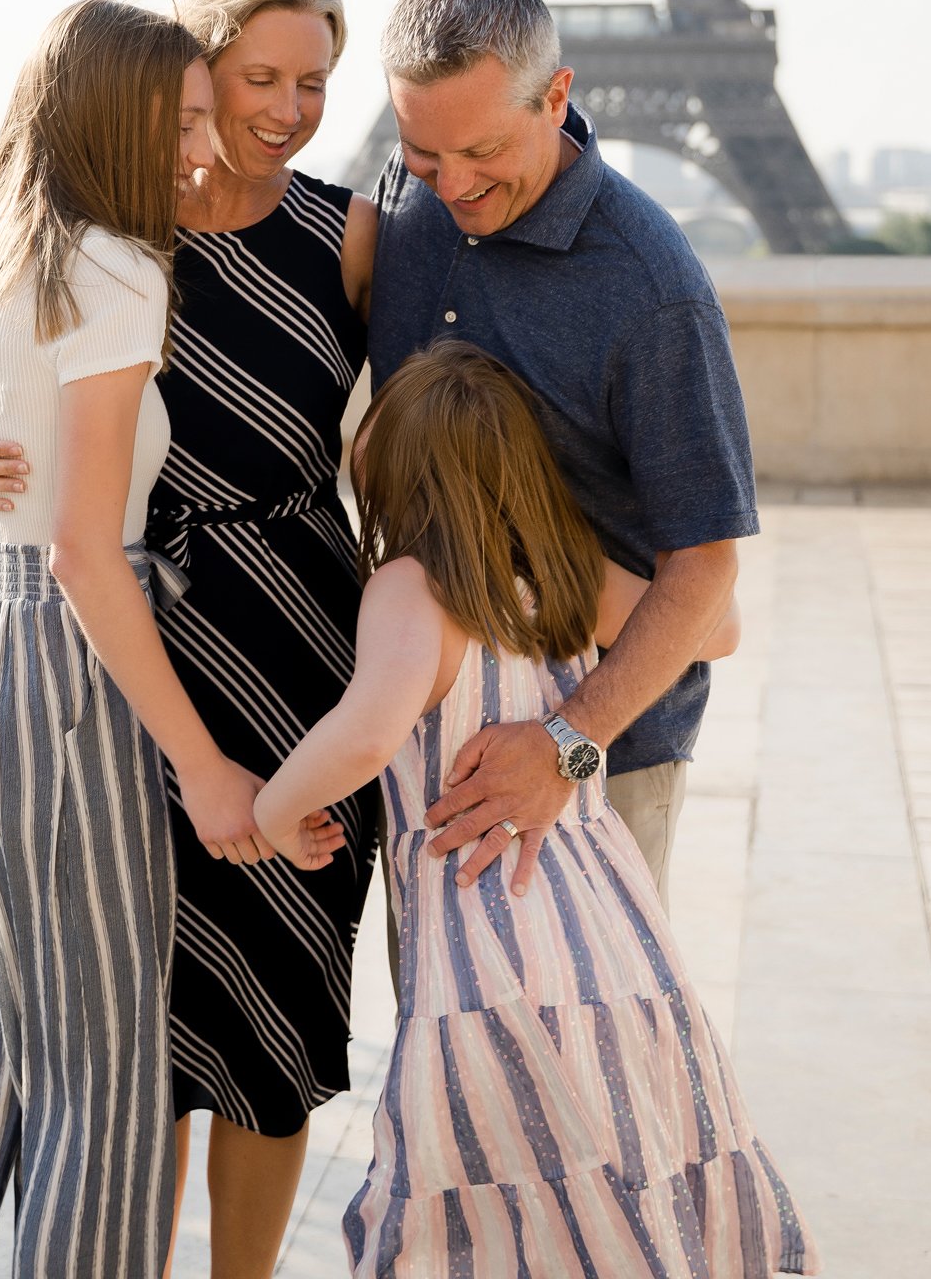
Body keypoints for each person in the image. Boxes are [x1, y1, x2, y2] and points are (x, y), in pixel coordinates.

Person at [0, 0, 380, 1279]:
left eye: (315, 82)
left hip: (292, 647)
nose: (285, 108)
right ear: (197, 68)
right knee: (129, 1046)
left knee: (270, 1026)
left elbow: (427, 426)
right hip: (132, 661)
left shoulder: (346, 234)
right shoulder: (126, 223)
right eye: (257, 78)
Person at [255, 344, 817, 1278]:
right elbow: (713, 626)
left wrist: (277, 809)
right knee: (617, 1135)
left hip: (484, 919)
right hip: (607, 909)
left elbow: (364, 734)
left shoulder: (409, 588)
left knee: (483, 1168)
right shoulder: (562, 575)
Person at [366, 0, 757, 909]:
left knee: (593, 1046)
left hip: (600, 757)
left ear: (556, 95)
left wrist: (566, 746)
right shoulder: (406, 205)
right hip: (434, 729)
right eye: (423, 154)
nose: (452, 186)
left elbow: (705, 571)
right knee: (451, 1039)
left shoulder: (652, 286)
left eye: (482, 150)